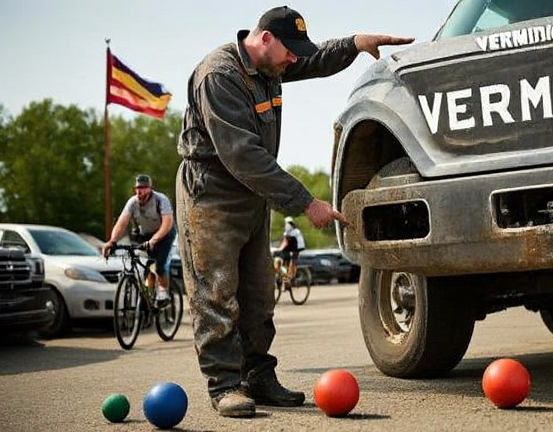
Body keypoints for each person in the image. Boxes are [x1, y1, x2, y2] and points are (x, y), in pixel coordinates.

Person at [175, 5, 414, 418]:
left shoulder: (270, 65)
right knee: (215, 292)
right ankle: (225, 385)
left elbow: (315, 59)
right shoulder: (220, 75)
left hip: (252, 195)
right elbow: (243, 156)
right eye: (289, 51)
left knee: (258, 295)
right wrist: (306, 202)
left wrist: (355, 44)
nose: (292, 60)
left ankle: (258, 376)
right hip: (211, 193)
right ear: (265, 39)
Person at [102, 174, 177, 305]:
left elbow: (167, 222)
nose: (140, 191)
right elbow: (121, 223)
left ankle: (163, 293)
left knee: (160, 265)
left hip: (165, 234)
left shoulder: (160, 200)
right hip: (145, 235)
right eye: (137, 188)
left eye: (143, 188)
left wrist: (154, 240)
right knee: (145, 265)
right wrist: (112, 241)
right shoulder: (132, 202)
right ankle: (149, 295)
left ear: (150, 189)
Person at [276, 216, 305, 281]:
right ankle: (293, 274)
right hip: (299, 247)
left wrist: (280, 249)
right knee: (293, 261)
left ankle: (286, 276)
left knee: (285, 261)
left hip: (294, 247)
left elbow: (285, 242)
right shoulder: (296, 230)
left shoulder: (288, 228)